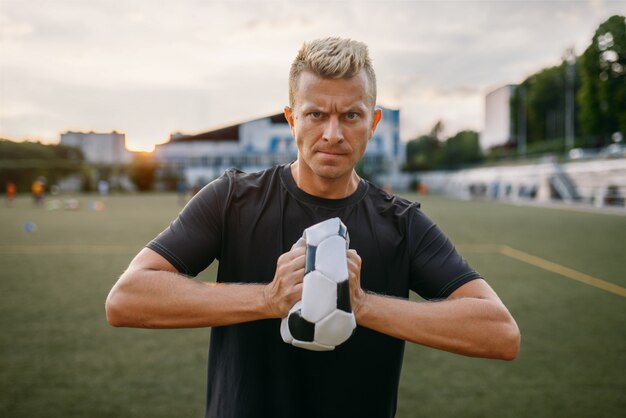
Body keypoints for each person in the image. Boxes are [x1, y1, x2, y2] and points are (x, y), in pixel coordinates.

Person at [106, 37, 520, 418]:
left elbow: (500, 333)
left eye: (351, 115)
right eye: (316, 114)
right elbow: (126, 300)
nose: (333, 134)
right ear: (291, 118)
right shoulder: (232, 199)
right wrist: (268, 299)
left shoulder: (402, 224)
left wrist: (361, 305)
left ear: (373, 123)